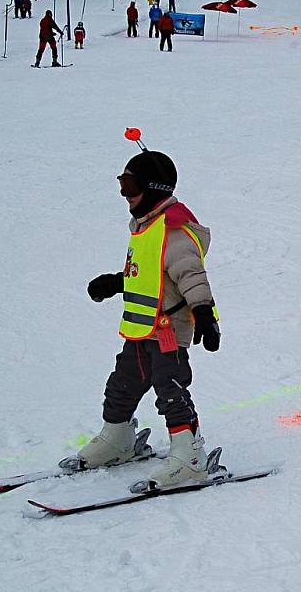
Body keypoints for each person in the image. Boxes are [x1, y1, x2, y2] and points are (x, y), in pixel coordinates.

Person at [78, 148, 221, 488]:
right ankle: (118, 438)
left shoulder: (173, 231)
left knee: (169, 388)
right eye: (122, 185)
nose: (124, 195)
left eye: (130, 186)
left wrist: (204, 314)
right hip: (141, 329)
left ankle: (189, 455)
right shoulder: (147, 226)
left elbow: (191, 275)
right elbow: (147, 274)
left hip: (169, 330)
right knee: (122, 385)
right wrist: (116, 282)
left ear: (153, 188)